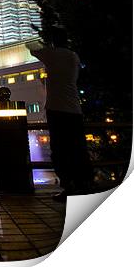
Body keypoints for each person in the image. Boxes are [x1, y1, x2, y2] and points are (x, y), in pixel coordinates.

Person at [28, 27, 94, 202]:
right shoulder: (73, 56)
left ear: (54, 41)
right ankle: (85, 184)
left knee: (60, 150)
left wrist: (45, 45)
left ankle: (68, 186)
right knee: (79, 148)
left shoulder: (52, 54)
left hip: (57, 109)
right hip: (75, 109)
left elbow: (31, 46)